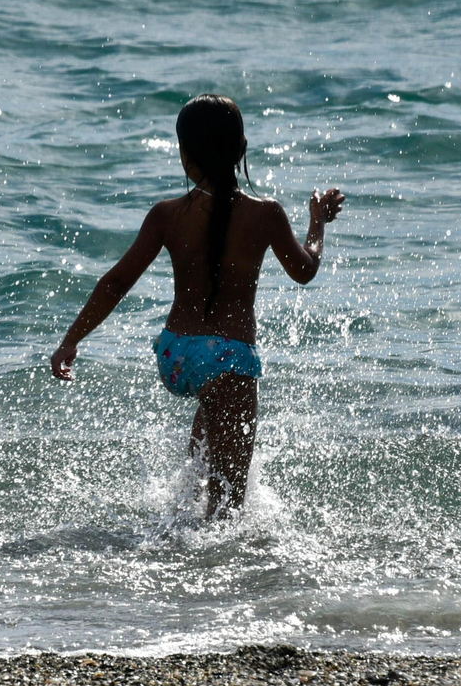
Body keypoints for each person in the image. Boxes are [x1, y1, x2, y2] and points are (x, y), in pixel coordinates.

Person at [50, 94, 344, 518]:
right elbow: (305, 269)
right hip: (227, 357)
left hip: (176, 354)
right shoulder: (266, 214)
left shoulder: (166, 214)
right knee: (227, 508)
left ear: (185, 157)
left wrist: (71, 340)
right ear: (242, 149)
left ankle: (178, 525)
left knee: (203, 454)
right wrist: (318, 222)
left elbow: (115, 282)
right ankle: (199, 553)